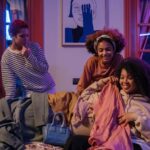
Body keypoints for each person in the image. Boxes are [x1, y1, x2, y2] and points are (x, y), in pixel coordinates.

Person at [65, 57, 150, 150]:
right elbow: (84, 97)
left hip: (133, 141)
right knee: (74, 141)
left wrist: (135, 117)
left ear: (139, 79)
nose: (125, 82)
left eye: (130, 78)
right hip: (106, 139)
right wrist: (102, 82)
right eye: (122, 77)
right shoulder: (112, 94)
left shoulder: (145, 103)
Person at [1, 19, 56, 99]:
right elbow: (9, 85)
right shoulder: (7, 57)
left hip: (48, 89)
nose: (26, 39)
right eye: (22, 36)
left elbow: (45, 68)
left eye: (27, 35)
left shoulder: (35, 46)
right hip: (31, 93)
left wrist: (29, 56)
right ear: (12, 35)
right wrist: (7, 105)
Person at [76, 28, 126, 96]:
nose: (104, 53)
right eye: (101, 50)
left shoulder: (118, 59)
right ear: (97, 51)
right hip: (94, 95)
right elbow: (81, 87)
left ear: (114, 50)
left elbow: (123, 82)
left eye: (108, 49)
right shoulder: (91, 62)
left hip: (112, 94)